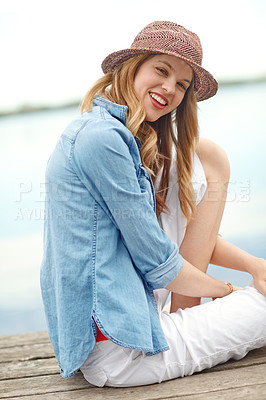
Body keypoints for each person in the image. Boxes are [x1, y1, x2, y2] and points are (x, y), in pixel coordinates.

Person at [40, 21, 266, 387]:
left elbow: (176, 236)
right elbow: (160, 263)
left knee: (197, 163)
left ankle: (190, 311)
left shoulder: (123, 141)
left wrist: (254, 266)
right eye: (161, 70)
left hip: (136, 329)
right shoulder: (101, 140)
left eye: (181, 84)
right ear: (134, 67)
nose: (169, 89)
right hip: (123, 354)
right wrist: (227, 292)